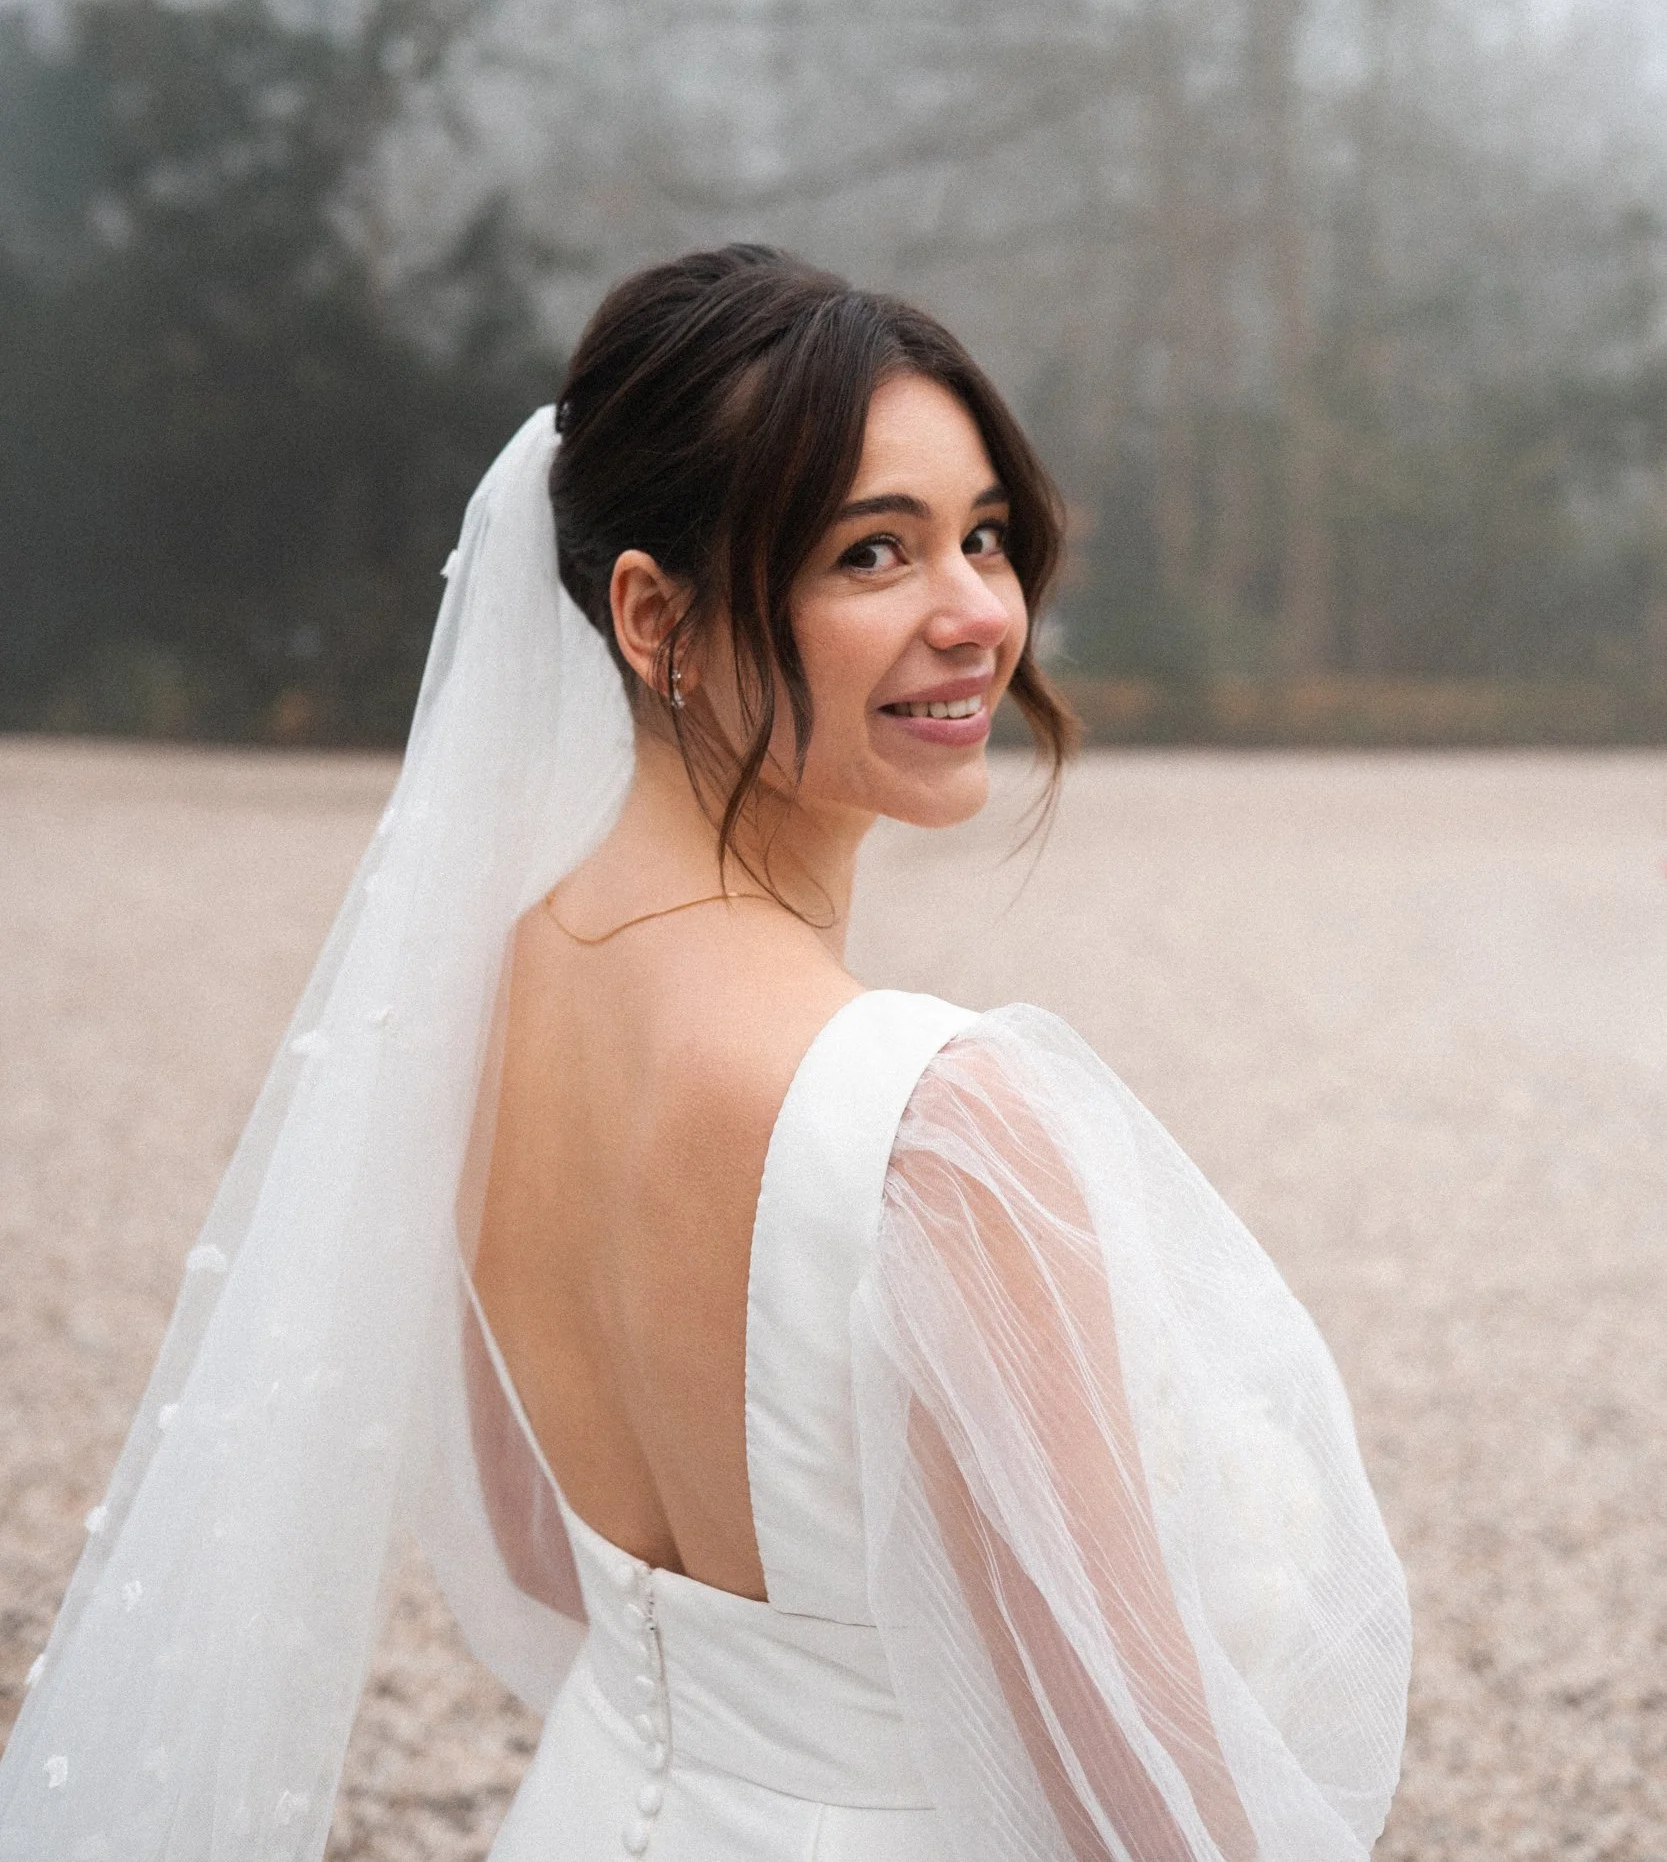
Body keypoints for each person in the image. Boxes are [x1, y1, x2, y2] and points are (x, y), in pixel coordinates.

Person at [0, 247, 1409, 1862]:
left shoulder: (483, 996)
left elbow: (543, 1559)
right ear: (654, 618)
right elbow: (1133, 1783)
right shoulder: (933, 1122)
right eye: (871, 552)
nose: (975, 617)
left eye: (985, 536)